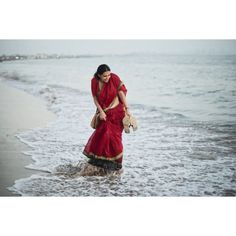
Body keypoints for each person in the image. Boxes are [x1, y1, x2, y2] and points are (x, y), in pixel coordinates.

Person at [83, 64, 131, 171]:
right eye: (105, 76)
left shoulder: (114, 78)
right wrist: (101, 112)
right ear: (99, 75)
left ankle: (117, 162)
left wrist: (127, 108)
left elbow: (121, 92)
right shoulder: (94, 82)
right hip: (104, 112)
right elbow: (95, 98)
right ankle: (101, 161)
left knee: (114, 137)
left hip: (117, 112)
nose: (108, 77)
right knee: (102, 134)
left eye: (109, 75)